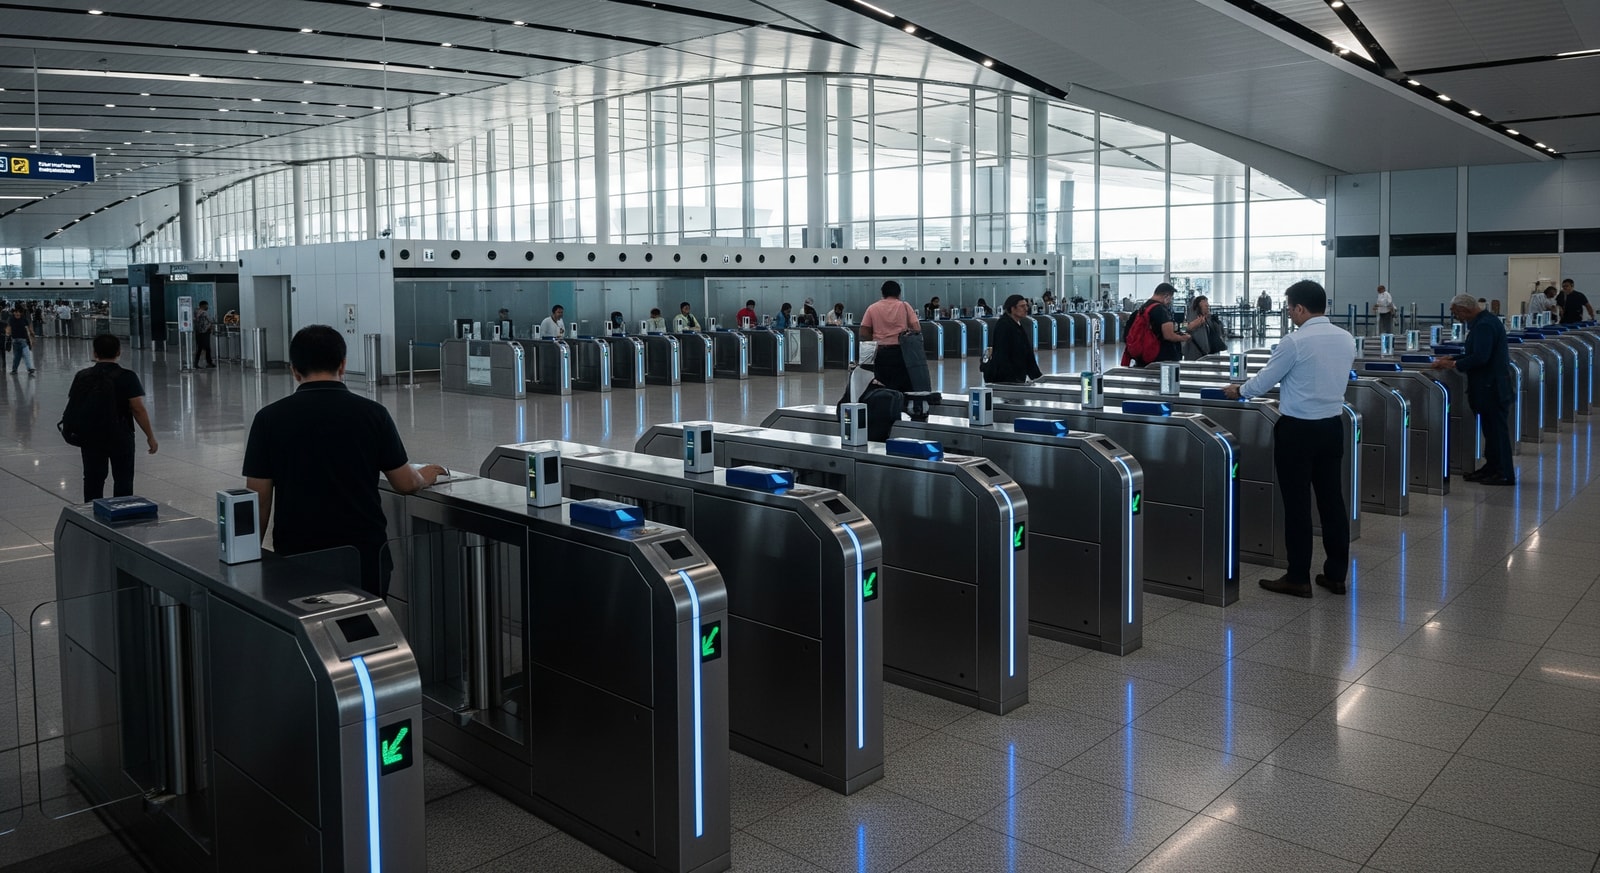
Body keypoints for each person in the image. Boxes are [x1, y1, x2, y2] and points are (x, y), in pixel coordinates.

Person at [242, 326, 445, 597]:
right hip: (363, 554)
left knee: (308, 632)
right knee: (366, 631)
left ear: (294, 369)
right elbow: (405, 483)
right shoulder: (373, 414)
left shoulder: (268, 419)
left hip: (298, 554)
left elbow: (259, 499)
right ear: (343, 365)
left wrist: (247, 560)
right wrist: (425, 475)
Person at [1222, 280, 1353, 598]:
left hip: (1298, 430)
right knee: (1332, 501)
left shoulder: (1294, 342)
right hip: (1333, 427)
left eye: (1290, 307)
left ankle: (1298, 576)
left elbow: (1267, 379)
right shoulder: (1346, 338)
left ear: (1300, 308)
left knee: (1297, 506)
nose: (1289, 313)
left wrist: (1239, 390)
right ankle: (1336, 575)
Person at [1433, 293, 1514, 485]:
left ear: (1464, 310)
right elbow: (1474, 353)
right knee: (1490, 431)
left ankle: (1503, 472)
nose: (1456, 317)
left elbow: (1481, 357)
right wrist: (1453, 359)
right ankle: (1492, 467)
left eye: (1456, 313)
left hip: (1491, 387)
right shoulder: (1484, 321)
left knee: (1497, 431)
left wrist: (1452, 365)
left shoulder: (1484, 325)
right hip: (1489, 386)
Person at [72, 334, 159, 501]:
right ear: (119, 352)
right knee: (123, 480)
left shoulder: (82, 376)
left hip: (91, 436)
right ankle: (122, 519)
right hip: (121, 435)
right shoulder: (127, 376)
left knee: (93, 479)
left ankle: (91, 516)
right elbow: (137, 409)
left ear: (95, 353)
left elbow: (75, 405)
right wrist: (150, 437)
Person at [859, 280, 920, 392]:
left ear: (882, 293)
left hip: (880, 353)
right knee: (902, 384)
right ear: (899, 293)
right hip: (901, 353)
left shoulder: (872, 308)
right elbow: (917, 328)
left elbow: (863, 331)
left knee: (882, 384)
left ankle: (885, 406)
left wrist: (875, 340)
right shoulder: (905, 306)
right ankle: (900, 406)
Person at [985, 294, 1042, 384]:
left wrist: (1037, 377)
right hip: (1006, 379)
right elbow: (1002, 354)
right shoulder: (1003, 325)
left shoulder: (1017, 324)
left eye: (1026, 305)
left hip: (1018, 376)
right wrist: (1013, 379)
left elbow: (1027, 353)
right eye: (1022, 306)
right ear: (1012, 308)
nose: (1026, 309)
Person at [1144, 283, 1204, 365]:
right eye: (1171, 297)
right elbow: (1169, 335)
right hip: (1161, 356)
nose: (1170, 301)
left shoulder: (1144, 307)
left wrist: (1189, 326)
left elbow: (1173, 327)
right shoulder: (1160, 310)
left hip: (1146, 353)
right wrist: (1184, 337)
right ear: (1166, 296)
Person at [1182, 295, 1229, 360]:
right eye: (1206, 306)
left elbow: (1220, 332)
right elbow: (1181, 329)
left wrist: (1215, 321)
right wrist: (1192, 325)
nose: (1208, 308)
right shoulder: (1189, 318)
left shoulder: (1208, 319)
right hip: (1193, 354)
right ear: (1198, 308)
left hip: (1207, 354)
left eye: (1208, 305)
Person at [6, 305, 36, 376]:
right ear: (14, 313)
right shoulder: (11, 319)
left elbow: (30, 329)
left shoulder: (24, 319)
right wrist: (8, 334)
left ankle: (29, 368)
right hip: (15, 341)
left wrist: (32, 336)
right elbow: (8, 329)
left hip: (23, 340)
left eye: (19, 312)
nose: (17, 313)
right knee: (17, 357)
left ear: (21, 313)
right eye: (16, 312)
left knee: (27, 354)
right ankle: (14, 370)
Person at [193, 300, 217, 367]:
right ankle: (208, 363)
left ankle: (196, 363)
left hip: (198, 332)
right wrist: (210, 326)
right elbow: (210, 321)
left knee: (200, 348)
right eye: (206, 305)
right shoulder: (204, 313)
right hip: (205, 332)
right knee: (206, 348)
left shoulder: (195, 312)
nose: (207, 307)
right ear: (203, 306)